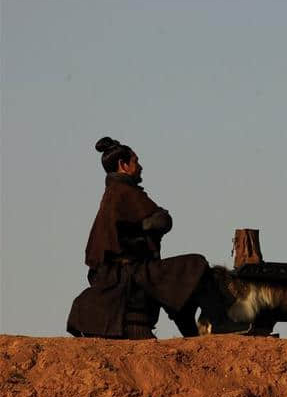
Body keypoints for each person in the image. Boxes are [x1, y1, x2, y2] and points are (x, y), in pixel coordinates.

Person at [67, 137, 210, 339]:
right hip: (131, 272)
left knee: (177, 281)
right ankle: (202, 324)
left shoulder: (115, 192)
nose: (140, 167)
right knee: (195, 264)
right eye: (136, 161)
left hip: (130, 271)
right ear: (123, 165)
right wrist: (146, 224)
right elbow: (162, 221)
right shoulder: (123, 191)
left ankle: (188, 325)